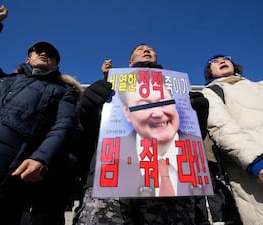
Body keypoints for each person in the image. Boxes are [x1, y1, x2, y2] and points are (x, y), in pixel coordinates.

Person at [75, 44, 210, 225]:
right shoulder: (110, 91)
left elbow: (192, 145)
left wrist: (197, 117)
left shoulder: (179, 91)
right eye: (140, 49)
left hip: (170, 189)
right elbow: (86, 131)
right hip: (110, 186)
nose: (146, 50)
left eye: (151, 49)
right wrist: (88, 105)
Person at [201, 16, 263, 225]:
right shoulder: (212, 91)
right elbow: (221, 126)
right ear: (209, 73)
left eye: (225, 58)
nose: (221, 61)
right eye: (214, 62)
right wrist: (256, 159)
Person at [0, 5, 80, 225]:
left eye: (50, 54)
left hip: (6, 172)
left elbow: (63, 125)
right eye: (38, 50)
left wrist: (41, 157)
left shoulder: (63, 91)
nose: (44, 53)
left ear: (56, 63)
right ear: (27, 59)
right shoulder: (1, 79)